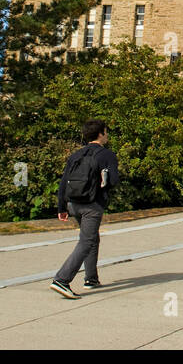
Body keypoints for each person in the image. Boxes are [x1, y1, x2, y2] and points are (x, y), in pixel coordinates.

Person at [51, 118, 120, 299]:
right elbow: (113, 181)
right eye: (106, 131)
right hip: (92, 205)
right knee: (86, 241)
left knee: (92, 238)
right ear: (100, 134)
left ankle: (91, 278)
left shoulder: (76, 155)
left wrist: (61, 207)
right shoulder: (106, 155)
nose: (107, 135)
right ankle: (62, 279)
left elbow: (63, 182)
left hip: (74, 204)